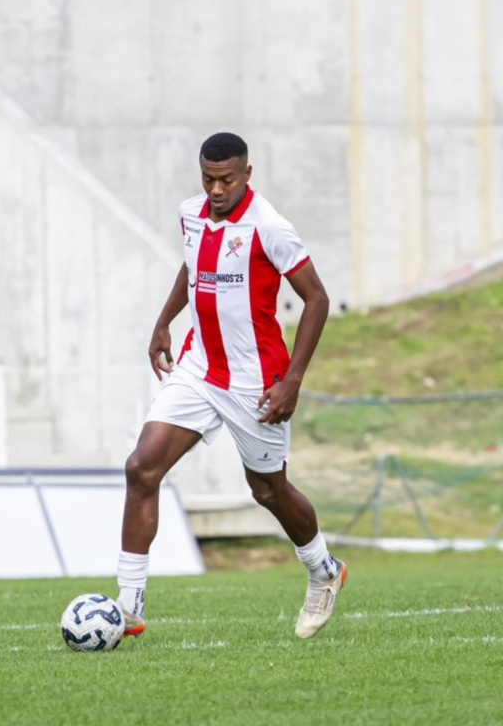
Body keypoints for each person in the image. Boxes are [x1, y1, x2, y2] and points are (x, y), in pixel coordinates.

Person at [116, 132, 346, 640]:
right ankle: (128, 608)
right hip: (199, 366)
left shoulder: (271, 227)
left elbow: (317, 300)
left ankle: (324, 570)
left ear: (247, 174)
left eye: (226, 179)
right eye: (208, 179)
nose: (216, 189)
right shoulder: (191, 214)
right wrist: (163, 320)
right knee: (141, 468)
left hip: (256, 379)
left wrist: (293, 381)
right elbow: (193, 265)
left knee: (267, 489)